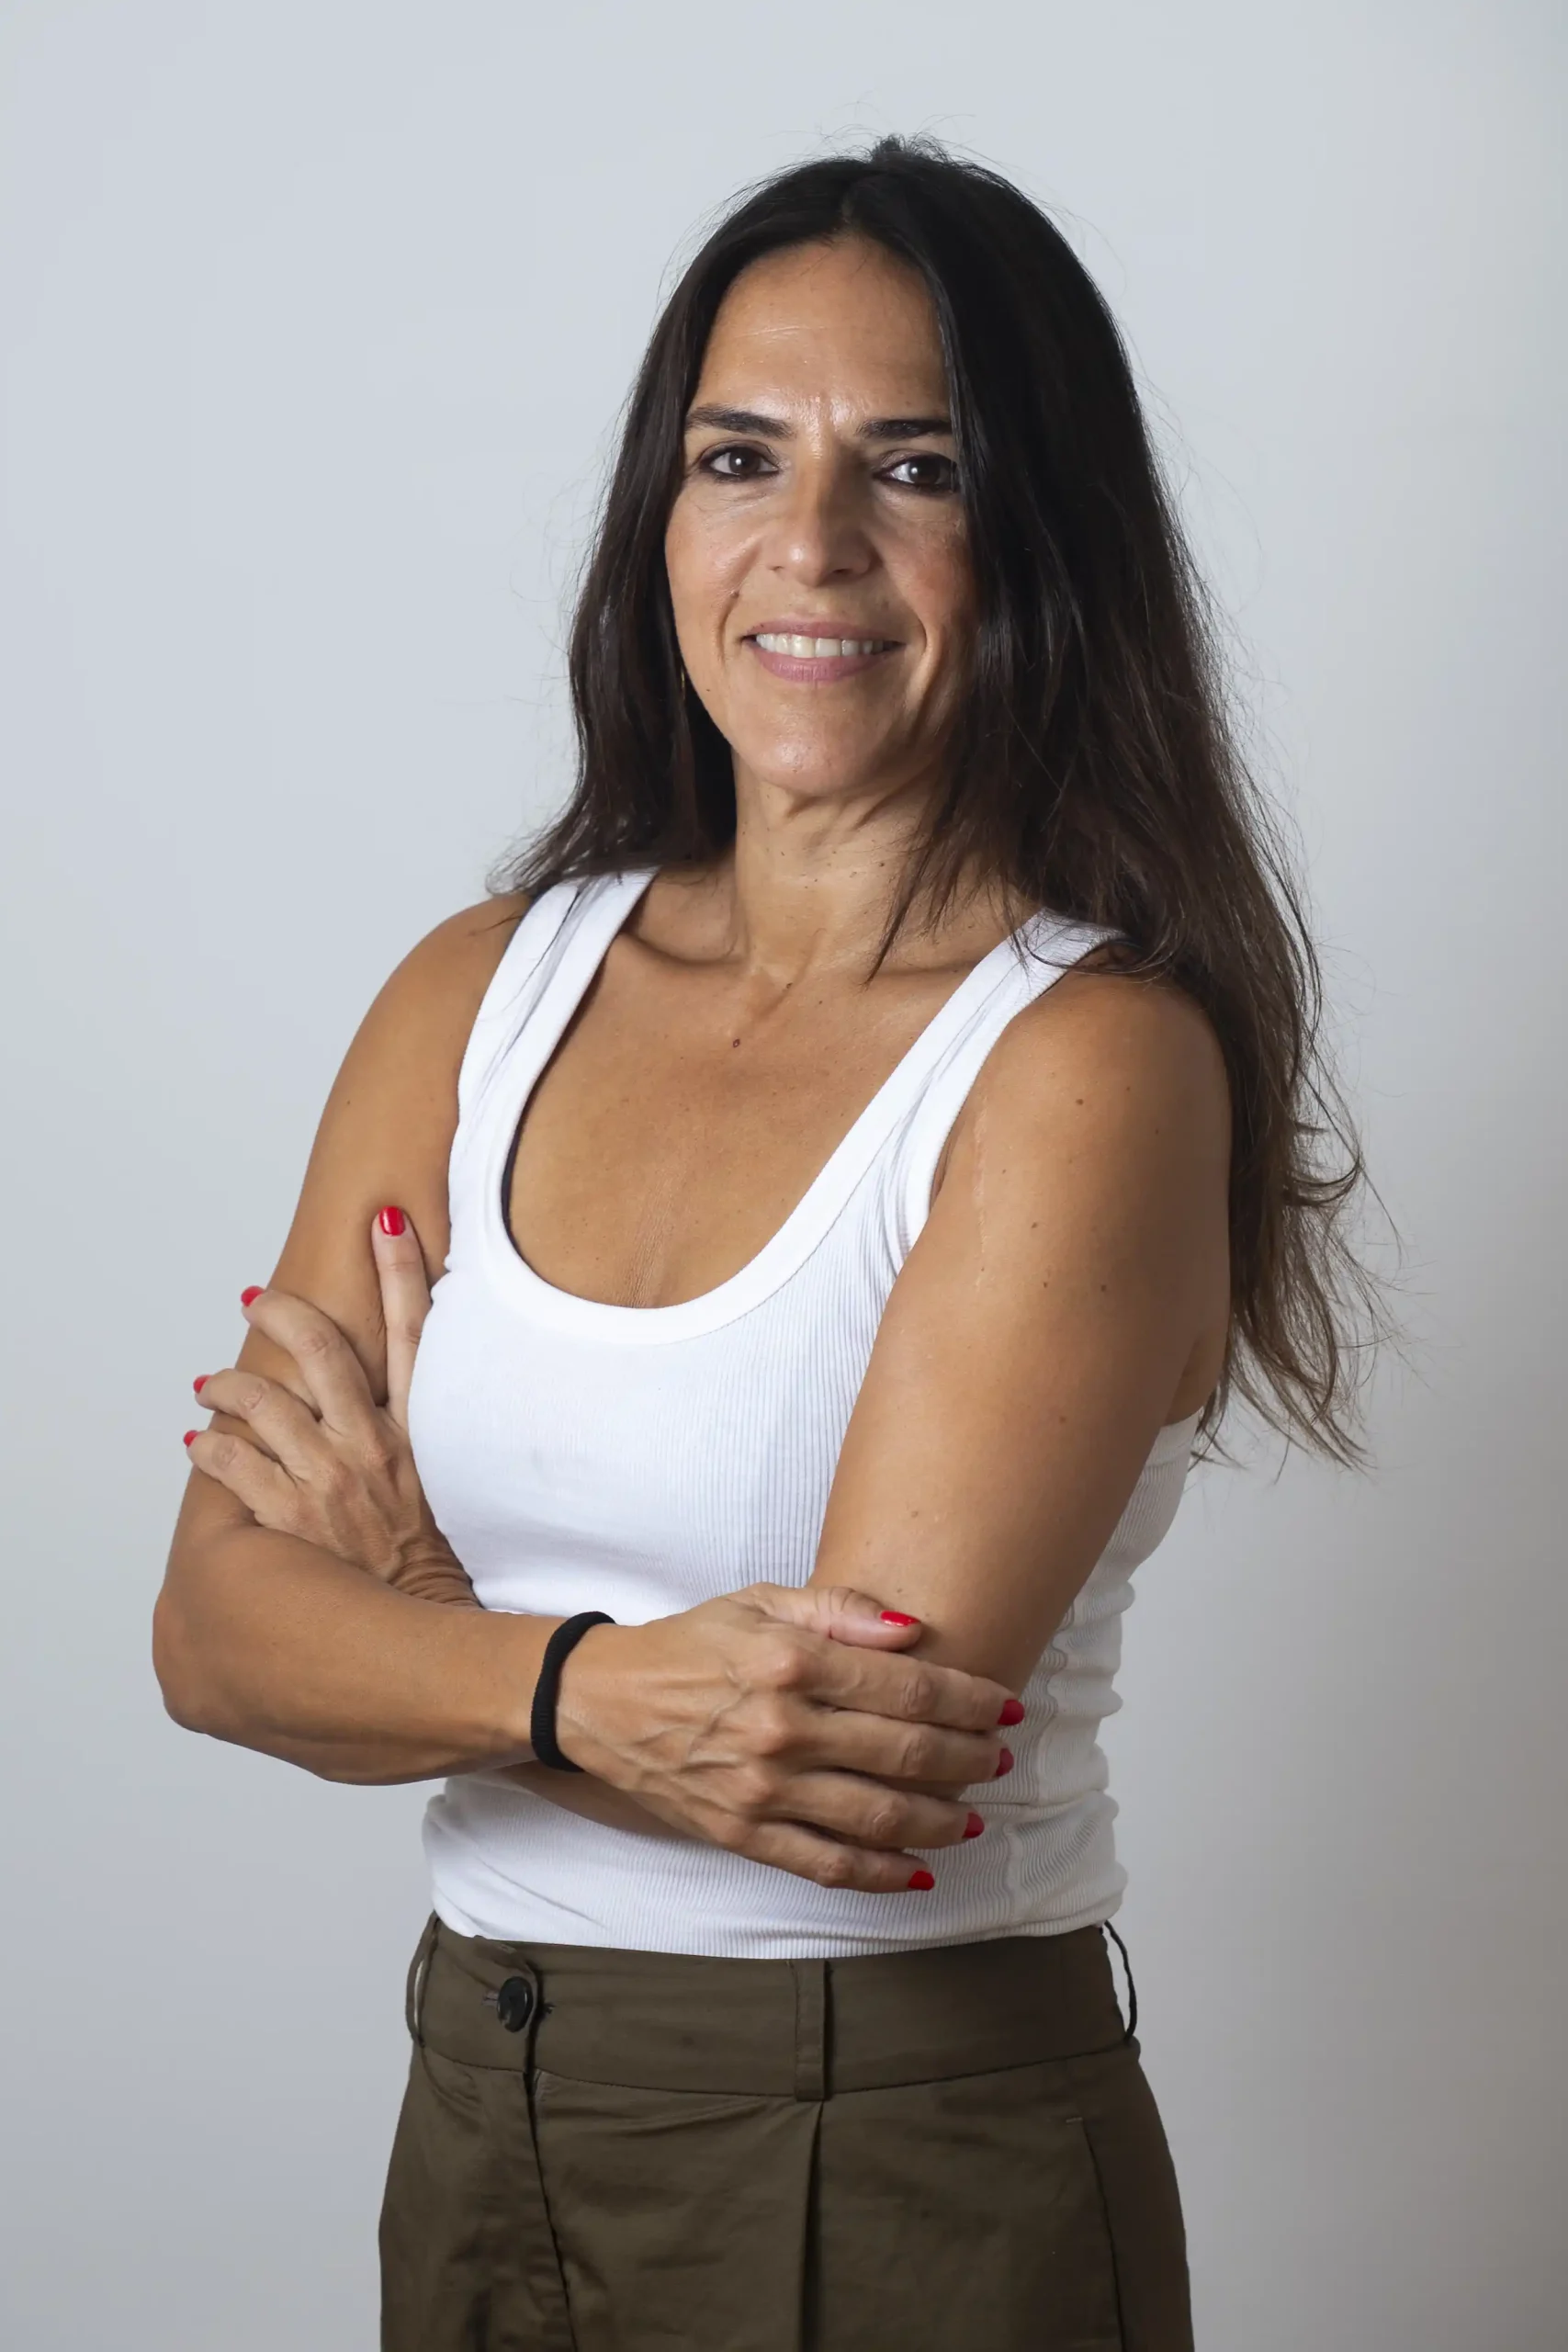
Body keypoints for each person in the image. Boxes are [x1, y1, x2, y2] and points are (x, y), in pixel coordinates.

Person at [152, 135, 1372, 2352]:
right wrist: (580, 1681)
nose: (811, 542)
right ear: (661, 517)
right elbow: (211, 1633)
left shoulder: (1086, 1063)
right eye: (740, 456)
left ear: (1044, 537)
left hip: (888, 2140)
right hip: (479, 2092)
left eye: (914, 464)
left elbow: (832, 1770)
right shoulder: (477, 990)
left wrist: (418, 1615)